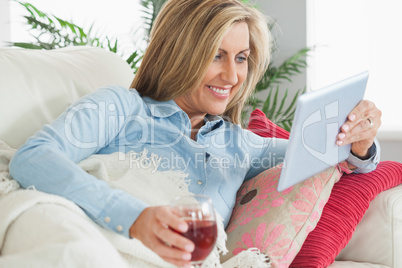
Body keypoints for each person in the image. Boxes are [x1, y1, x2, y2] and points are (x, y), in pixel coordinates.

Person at [9, 0, 382, 267]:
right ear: (179, 52)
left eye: (240, 58)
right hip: (98, 237)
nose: (233, 77)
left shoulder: (243, 147)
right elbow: (34, 157)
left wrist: (360, 139)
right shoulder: (120, 107)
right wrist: (135, 216)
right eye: (216, 55)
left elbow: (332, 153)